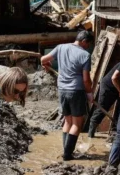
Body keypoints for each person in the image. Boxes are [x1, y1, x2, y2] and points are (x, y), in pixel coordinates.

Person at [40, 30, 93, 161]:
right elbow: (86, 80)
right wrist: (89, 93)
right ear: (84, 41)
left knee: (67, 121)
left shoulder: (61, 47)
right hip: (76, 91)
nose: (88, 47)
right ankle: (68, 155)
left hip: (62, 90)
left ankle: (66, 150)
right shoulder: (85, 55)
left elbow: (43, 59)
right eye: (89, 44)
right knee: (76, 124)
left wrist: (46, 65)